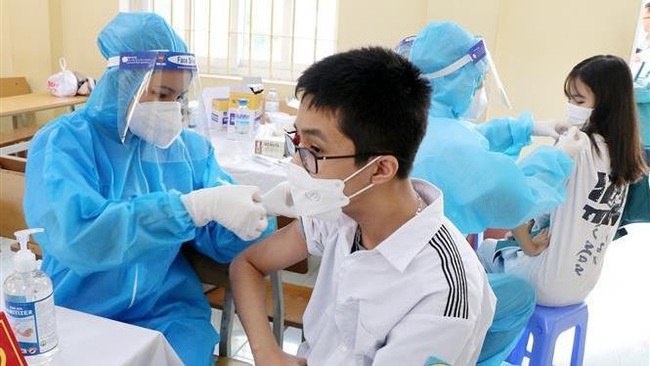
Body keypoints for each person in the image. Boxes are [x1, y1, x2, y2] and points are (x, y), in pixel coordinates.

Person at [23, 12, 273, 366]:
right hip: (79, 307)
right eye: (160, 93)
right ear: (122, 82)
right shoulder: (64, 142)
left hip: (167, 312)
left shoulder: (188, 150)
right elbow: (77, 236)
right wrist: (188, 209)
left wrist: (259, 213)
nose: (170, 107)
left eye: (178, 96)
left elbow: (221, 240)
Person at [231, 47, 496, 365]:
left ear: (381, 169)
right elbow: (247, 265)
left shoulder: (442, 292)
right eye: (298, 142)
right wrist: (266, 351)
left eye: (315, 149)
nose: (297, 164)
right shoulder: (339, 211)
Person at [400, 21, 585, 364]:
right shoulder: (454, 148)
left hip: (400, 272)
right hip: (426, 287)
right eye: (477, 81)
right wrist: (559, 158)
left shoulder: (414, 121)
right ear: (456, 82)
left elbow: (473, 137)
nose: (479, 89)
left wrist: (530, 128)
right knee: (517, 296)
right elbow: (517, 195)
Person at [477, 55, 649, 306]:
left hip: (545, 283)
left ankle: (486, 335)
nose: (571, 107)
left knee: (485, 250)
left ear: (606, 104)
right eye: (569, 99)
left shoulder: (576, 145)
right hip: (583, 286)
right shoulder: (625, 154)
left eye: (579, 100)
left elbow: (516, 201)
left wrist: (528, 243)